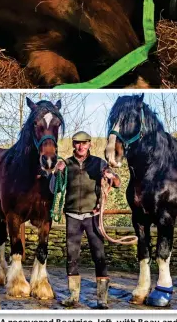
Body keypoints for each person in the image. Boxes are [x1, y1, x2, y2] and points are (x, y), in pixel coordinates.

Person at [53, 131, 120, 309]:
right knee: (71, 256)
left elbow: (118, 183)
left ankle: (102, 298)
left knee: (99, 256)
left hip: (93, 215)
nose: (81, 146)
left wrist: (110, 176)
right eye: (77, 143)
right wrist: (56, 174)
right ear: (73, 144)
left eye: (84, 143)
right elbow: (55, 190)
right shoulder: (66, 164)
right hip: (73, 216)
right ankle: (73, 296)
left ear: (90, 144)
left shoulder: (99, 163)